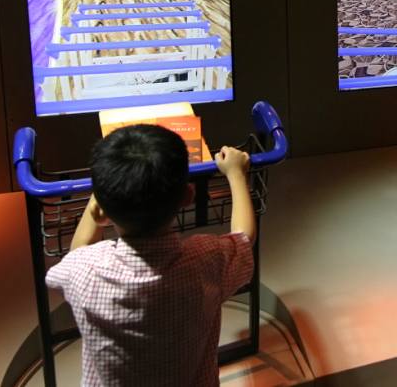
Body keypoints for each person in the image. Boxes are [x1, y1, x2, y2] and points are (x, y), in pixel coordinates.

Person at [45, 124, 256, 387]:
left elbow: (78, 252)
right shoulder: (207, 260)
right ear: (187, 196)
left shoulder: (83, 270)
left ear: (101, 212)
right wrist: (236, 174)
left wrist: (102, 196)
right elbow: (243, 237)